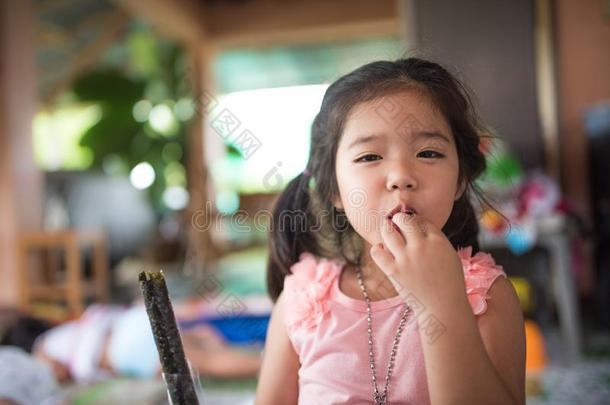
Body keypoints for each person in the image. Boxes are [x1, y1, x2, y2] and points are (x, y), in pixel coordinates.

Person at [255, 58, 526, 404]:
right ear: (334, 189)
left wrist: (442, 303)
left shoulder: (487, 298)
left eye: (428, 152)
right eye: (369, 157)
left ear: (459, 180)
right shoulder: (303, 301)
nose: (401, 176)